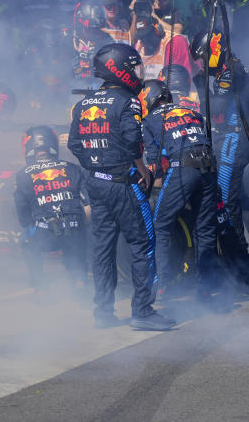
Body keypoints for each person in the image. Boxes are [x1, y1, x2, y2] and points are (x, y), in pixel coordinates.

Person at [67, 43, 175, 331]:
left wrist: (95, 163)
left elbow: (74, 144)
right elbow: (132, 142)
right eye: (133, 66)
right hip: (123, 184)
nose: (137, 72)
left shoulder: (83, 103)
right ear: (120, 69)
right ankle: (142, 311)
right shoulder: (129, 102)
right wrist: (143, 170)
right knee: (143, 244)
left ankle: (102, 313)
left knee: (102, 249)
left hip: (95, 183)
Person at [190, 31, 249, 281]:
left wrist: (199, 84)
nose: (199, 65)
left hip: (231, 138)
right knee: (238, 195)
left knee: (226, 201)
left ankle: (240, 263)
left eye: (202, 58)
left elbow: (213, 106)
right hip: (222, 137)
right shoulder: (222, 70)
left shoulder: (231, 71)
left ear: (212, 53)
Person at [141, 80, 220, 302]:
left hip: (183, 169)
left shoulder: (150, 120)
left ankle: (162, 286)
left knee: (160, 226)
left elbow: (154, 166)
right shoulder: (192, 112)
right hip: (210, 167)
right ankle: (205, 288)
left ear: (148, 99)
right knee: (204, 230)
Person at [13, 126, 89, 294]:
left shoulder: (23, 175)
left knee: (26, 242)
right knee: (75, 244)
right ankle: (79, 281)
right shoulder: (73, 168)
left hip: (45, 233)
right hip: (75, 230)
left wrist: (29, 223)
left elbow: (22, 212)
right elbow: (88, 203)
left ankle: (40, 287)